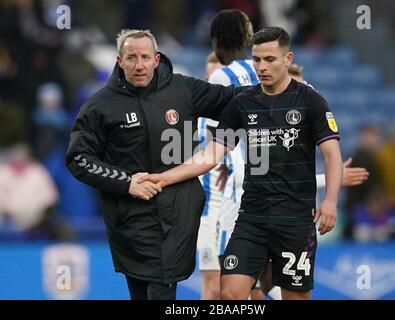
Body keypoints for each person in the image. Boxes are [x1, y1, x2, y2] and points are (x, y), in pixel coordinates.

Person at [141, 27, 343, 300]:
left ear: (287, 58)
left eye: (270, 59)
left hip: (295, 222)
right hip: (252, 220)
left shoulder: (310, 101)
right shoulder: (242, 103)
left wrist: (330, 201)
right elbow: (210, 155)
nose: (262, 66)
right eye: (257, 59)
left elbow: (332, 155)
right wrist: (164, 178)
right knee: (230, 295)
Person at [66, 29, 241, 300]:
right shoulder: (99, 105)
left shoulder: (183, 89)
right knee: (141, 292)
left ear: (157, 59)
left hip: (177, 215)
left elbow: (234, 100)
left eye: (145, 57)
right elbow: (78, 158)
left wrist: (284, 92)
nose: (139, 65)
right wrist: (127, 183)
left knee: (161, 287)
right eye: (131, 57)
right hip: (129, 220)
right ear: (119, 61)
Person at [196, 9, 257, 300]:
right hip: (271, 186)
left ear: (216, 42)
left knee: (226, 284)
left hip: (234, 189)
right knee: (261, 284)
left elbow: (213, 143)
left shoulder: (222, 76)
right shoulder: (263, 71)